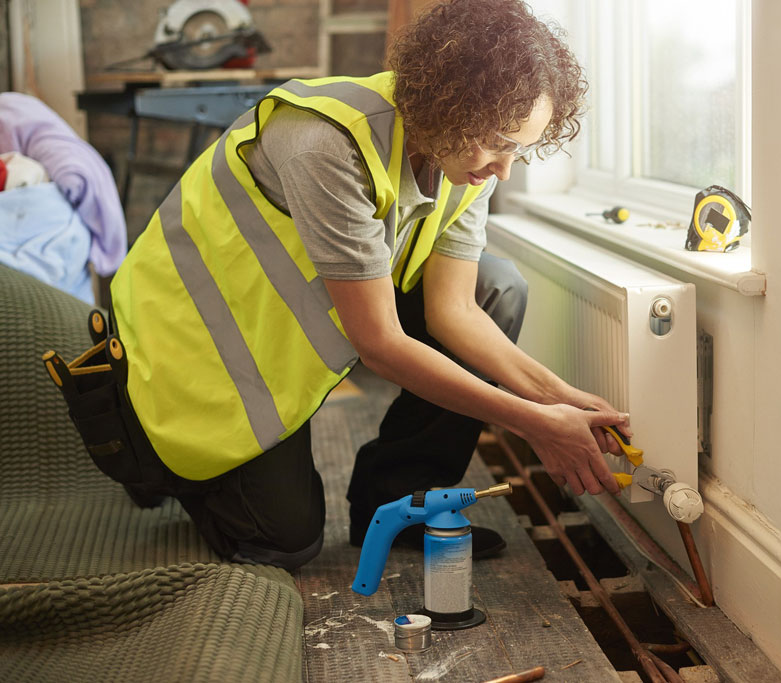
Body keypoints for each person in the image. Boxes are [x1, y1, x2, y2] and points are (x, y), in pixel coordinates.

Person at [56, 0, 630, 570]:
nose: (504, 169)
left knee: (495, 286)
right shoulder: (325, 142)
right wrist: (534, 424)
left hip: (284, 335)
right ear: (451, 104)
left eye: (519, 149)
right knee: (284, 543)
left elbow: (455, 311)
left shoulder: (464, 158)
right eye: (500, 142)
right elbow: (379, 343)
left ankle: (397, 503)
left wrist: (559, 399)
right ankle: (157, 463)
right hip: (192, 347)